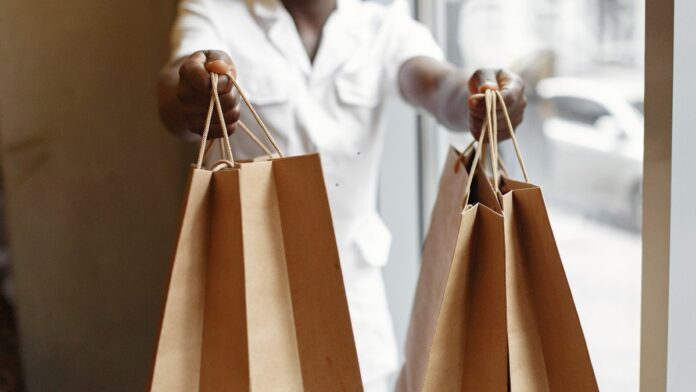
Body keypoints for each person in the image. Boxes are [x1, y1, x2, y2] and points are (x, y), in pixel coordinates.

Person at [157, 0, 527, 390]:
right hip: (248, 301)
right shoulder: (215, 10)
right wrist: (192, 94)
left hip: (356, 311)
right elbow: (175, 88)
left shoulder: (382, 25)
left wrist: (482, 99)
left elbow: (438, 85)